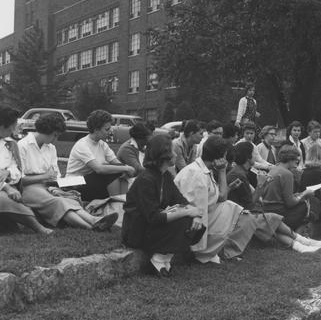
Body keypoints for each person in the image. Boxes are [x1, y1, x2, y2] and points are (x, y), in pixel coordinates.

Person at [18, 113, 118, 231]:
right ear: (45, 131)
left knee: (68, 199)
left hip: (48, 185)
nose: (56, 140)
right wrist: (44, 176)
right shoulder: (22, 146)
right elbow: (20, 180)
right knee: (57, 201)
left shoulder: (51, 148)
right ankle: (91, 225)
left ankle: (94, 221)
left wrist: (62, 183)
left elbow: (56, 175)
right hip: (28, 188)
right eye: (55, 135)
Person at [122, 135, 204, 276]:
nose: (176, 154)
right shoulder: (145, 180)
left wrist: (195, 213)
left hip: (151, 226)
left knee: (194, 223)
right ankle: (159, 259)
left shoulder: (164, 176)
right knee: (184, 219)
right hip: (137, 230)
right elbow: (153, 217)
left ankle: (165, 258)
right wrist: (187, 212)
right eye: (173, 151)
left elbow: (180, 200)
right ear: (164, 154)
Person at [227, 142, 321, 253]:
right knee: (311, 202)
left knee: (272, 220)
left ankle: (301, 244)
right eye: (253, 153)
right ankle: (302, 241)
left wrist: (262, 187)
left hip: (257, 211)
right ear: (248, 156)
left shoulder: (269, 169)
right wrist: (303, 195)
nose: (256, 156)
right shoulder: (239, 175)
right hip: (243, 216)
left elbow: (251, 199)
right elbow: (250, 204)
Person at [174, 135, 259, 263]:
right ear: (219, 157)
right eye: (225, 156)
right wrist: (198, 249)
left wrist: (222, 172)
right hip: (190, 221)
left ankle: (214, 250)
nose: (226, 160)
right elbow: (198, 210)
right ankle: (200, 251)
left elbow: (222, 197)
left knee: (232, 208)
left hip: (203, 214)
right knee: (232, 209)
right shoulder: (197, 174)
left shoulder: (205, 169)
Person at [0, 106, 53, 234]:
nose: (15, 128)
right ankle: (37, 227)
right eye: (13, 125)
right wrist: (6, 187)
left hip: (10, 185)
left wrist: (8, 172)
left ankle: (12, 223)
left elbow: (17, 170)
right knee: (5, 199)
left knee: (10, 199)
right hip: (5, 187)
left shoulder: (10, 144)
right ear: (2, 126)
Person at [66, 109, 135, 201]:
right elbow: (99, 169)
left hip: (90, 182)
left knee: (117, 172)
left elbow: (117, 163)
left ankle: (124, 199)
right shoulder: (82, 145)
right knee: (105, 174)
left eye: (110, 128)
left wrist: (126, 170)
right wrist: (126, 168)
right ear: (96, 129)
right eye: (107, 129)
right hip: (73, 183)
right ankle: (122, 200)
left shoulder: (102, 144)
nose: (110, 131)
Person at [260, 145, 317, 230]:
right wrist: (305, 193)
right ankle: (297, 236)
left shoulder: (275, 169)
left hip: (266, 209)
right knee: (306, 205)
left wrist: (297, 195)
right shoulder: (287, 174)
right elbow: (290, 203)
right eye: (296, 161)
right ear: (290, 159)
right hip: (278, 212)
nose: (296, 164)